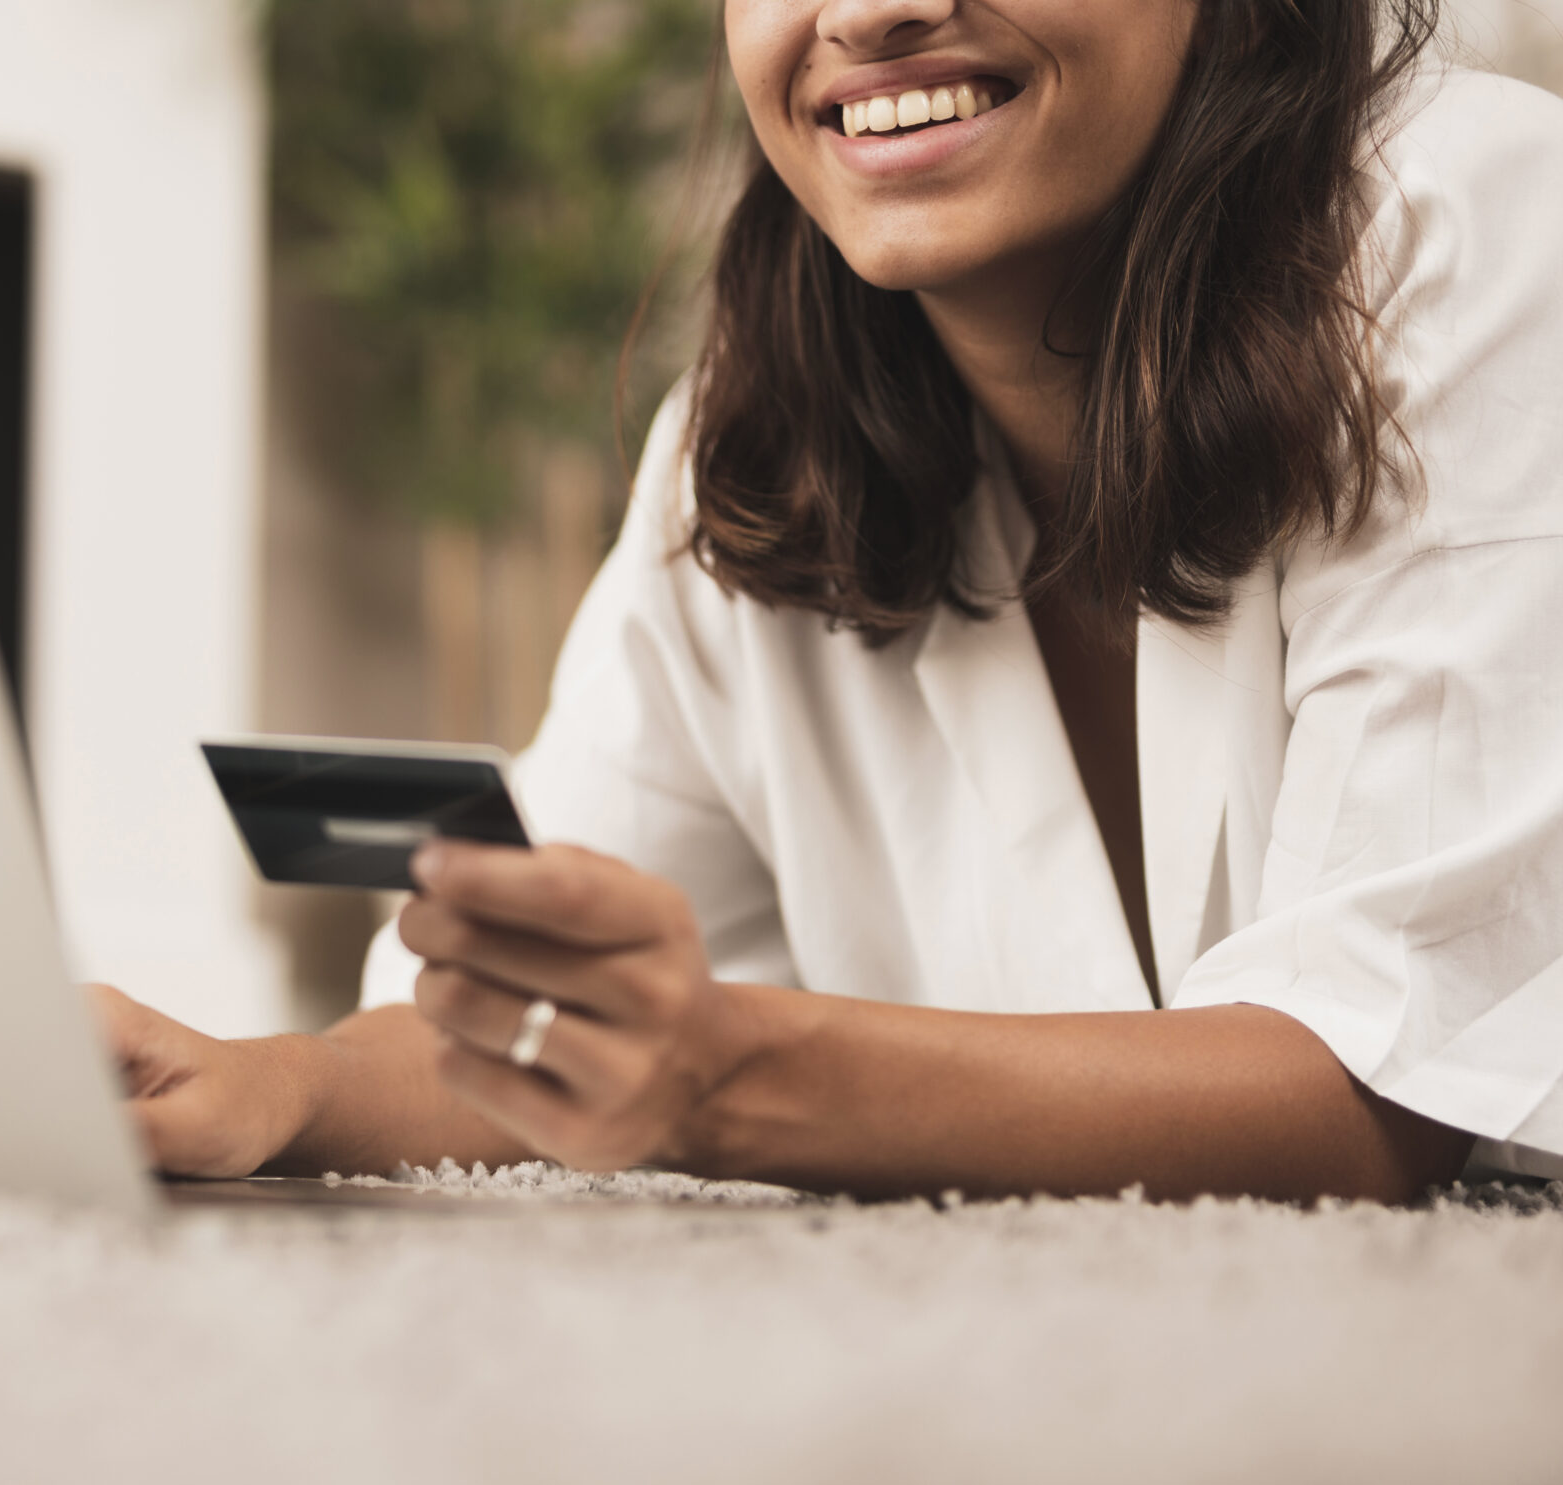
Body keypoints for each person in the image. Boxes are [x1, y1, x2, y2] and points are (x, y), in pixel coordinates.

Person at [95, 0, 1563, 1204]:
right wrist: (273, 1087)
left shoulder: (1478, 214)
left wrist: (729, 1074)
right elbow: (541, 1021)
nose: (868, 14)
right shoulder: (749, 436)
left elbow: (1378, 1096)